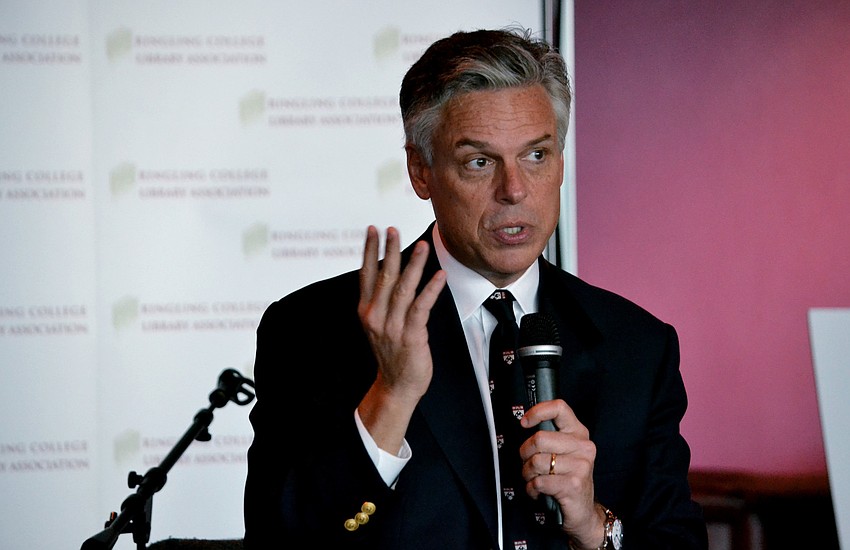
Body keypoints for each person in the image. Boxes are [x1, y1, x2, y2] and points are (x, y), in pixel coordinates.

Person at [243, 28, 707, 549]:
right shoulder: (312, 328)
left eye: (536, 156)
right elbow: (279, 538)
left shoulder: (638, 346)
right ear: (421, 171)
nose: (514, 190)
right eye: (479, 162)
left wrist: (591, 524)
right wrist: (391, 396)